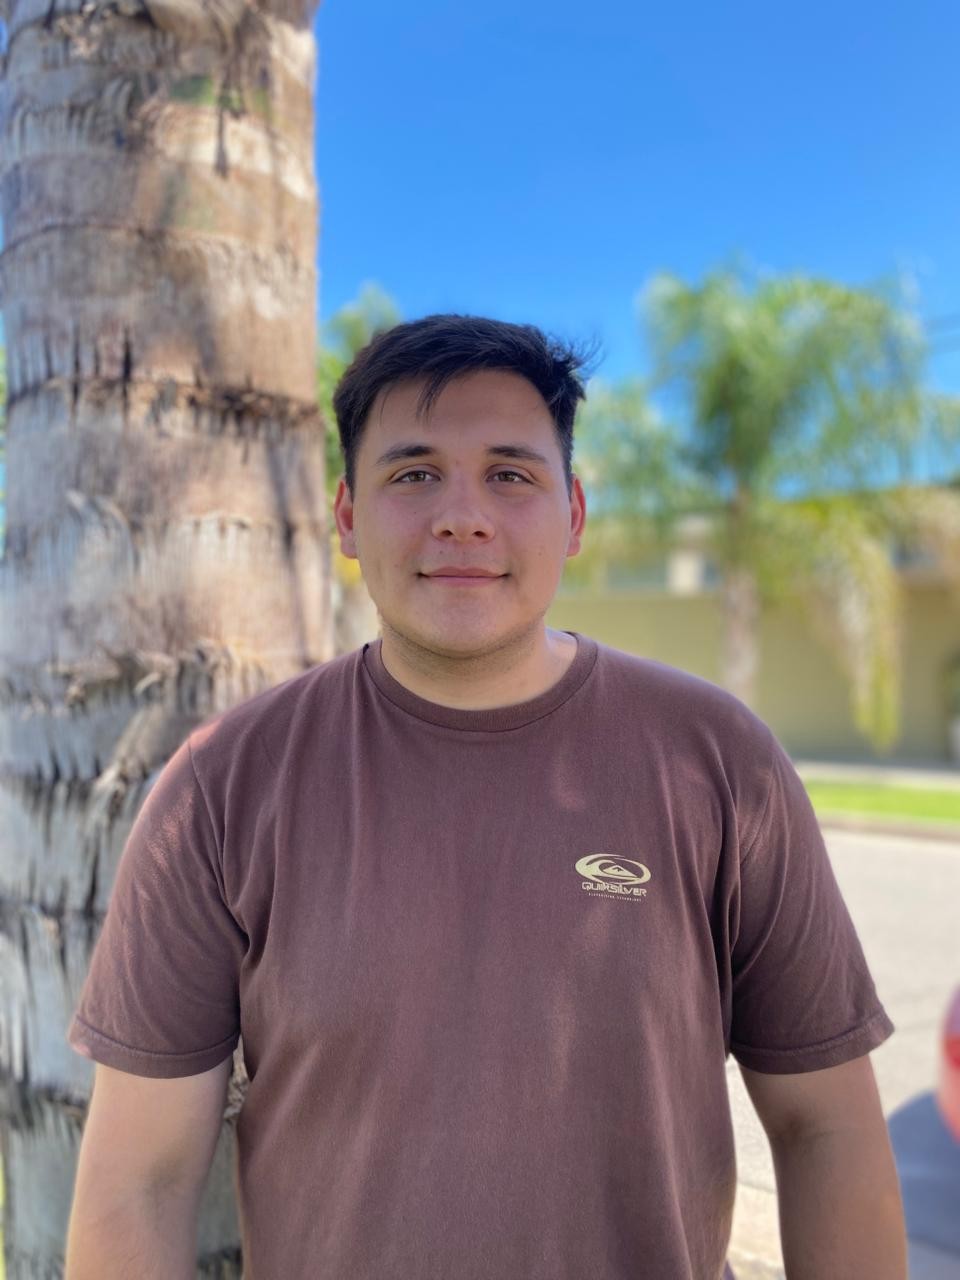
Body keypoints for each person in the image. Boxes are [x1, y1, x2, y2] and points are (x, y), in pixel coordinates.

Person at [64, 314, 907, 1279]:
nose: (462, 516)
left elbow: (826, 1128)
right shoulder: (221, 788)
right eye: (414, 474)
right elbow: (141, 1181)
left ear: (574, 514)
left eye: (510, 474)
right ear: (347, 515)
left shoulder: (720, 762)